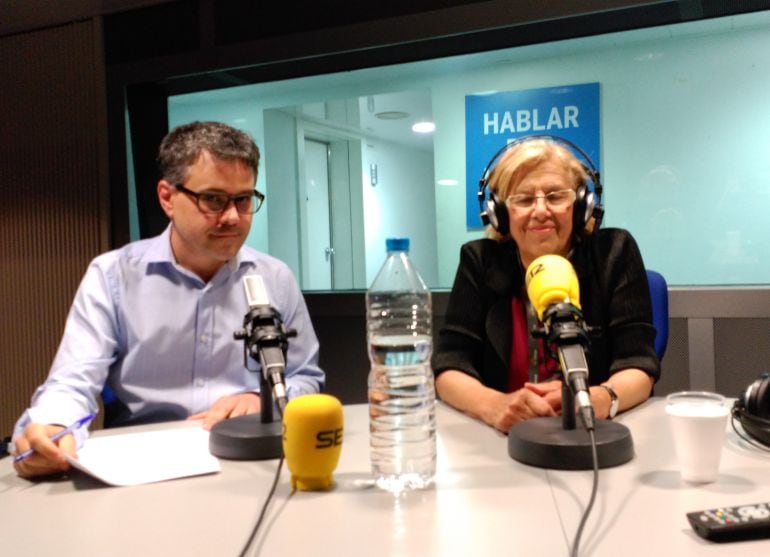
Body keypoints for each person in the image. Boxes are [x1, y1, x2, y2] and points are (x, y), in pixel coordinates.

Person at [12, 121, 325, 477]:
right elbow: (73, 382)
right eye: (213, 199)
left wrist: (260, 400)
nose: (233, 217)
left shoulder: (274, 277)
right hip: (142, 466)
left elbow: (305, 377)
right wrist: (53, 425)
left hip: (250, 462)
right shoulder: (113, 276)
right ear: (167, 198)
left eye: (243, 200)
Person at [432, 137, 659, 434]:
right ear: (500, 213)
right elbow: (449, 367)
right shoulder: (480, 261)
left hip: (593, 435)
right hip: (504, 443)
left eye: (555, 196)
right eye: (524, 199)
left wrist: (600, 398)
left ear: (581, 206)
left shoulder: (613, 254)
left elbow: (639, 364)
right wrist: (494, 405)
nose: (540, 210)